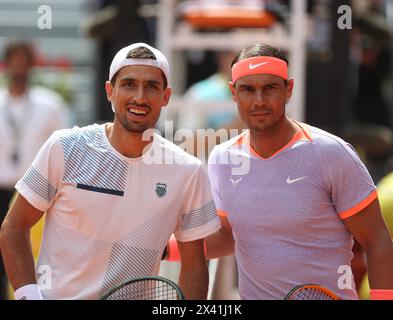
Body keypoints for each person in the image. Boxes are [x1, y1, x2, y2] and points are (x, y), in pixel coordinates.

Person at [0, 42, 221, 300]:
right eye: (129, 84)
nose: (139, 97)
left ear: (166, 96)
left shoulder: (188, 171)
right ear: (110, 91)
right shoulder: (64, 147)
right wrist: (28, 296)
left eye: (151, 86)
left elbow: (194, 263)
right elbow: (14, 226)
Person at [204, 43, 393, 300]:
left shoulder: (331, 153)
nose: (259, 101)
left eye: (270, 88)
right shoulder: (221, 159)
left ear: (288, 89)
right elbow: (228, 237)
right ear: (233, 93)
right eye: (248, 89)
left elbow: (377, 240)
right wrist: (163, 247)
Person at [0, 40, 68, 300]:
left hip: (34, 194)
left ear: (31, 65)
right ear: (6, 65)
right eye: (14, 61)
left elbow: (66, 149)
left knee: (30, 256)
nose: (19, 67)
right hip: (2, 188)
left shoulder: (50, 104)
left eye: (23, 61)